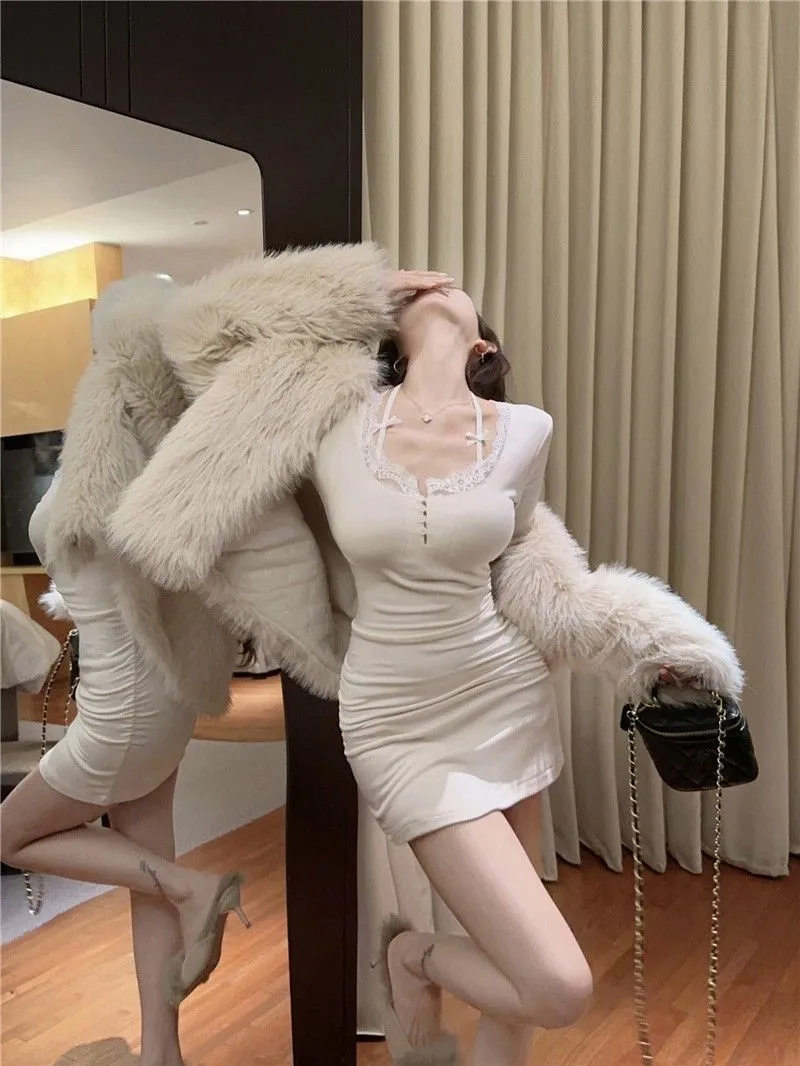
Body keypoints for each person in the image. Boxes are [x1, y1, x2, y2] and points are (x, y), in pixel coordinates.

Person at [103, 244, 744, 1066]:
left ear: (483, 346)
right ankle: (413, 957)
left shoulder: (526, 431)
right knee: (558, 984)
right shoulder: (332, 421)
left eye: (452, 290)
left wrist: (657, 645)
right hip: (399, 722)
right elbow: (197, 337)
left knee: (516, 954)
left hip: (505, 695)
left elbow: (533, 569)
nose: (437, 286)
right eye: (414, 294)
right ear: (389, 336)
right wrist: (358, 288)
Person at [0, 276, 248, 1066]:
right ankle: (161, 1054)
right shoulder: (181, 455)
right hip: (163, 701)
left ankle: (193, 887)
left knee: (11, 836)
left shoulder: (111, 460)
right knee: (147, 873)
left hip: (123, 712)